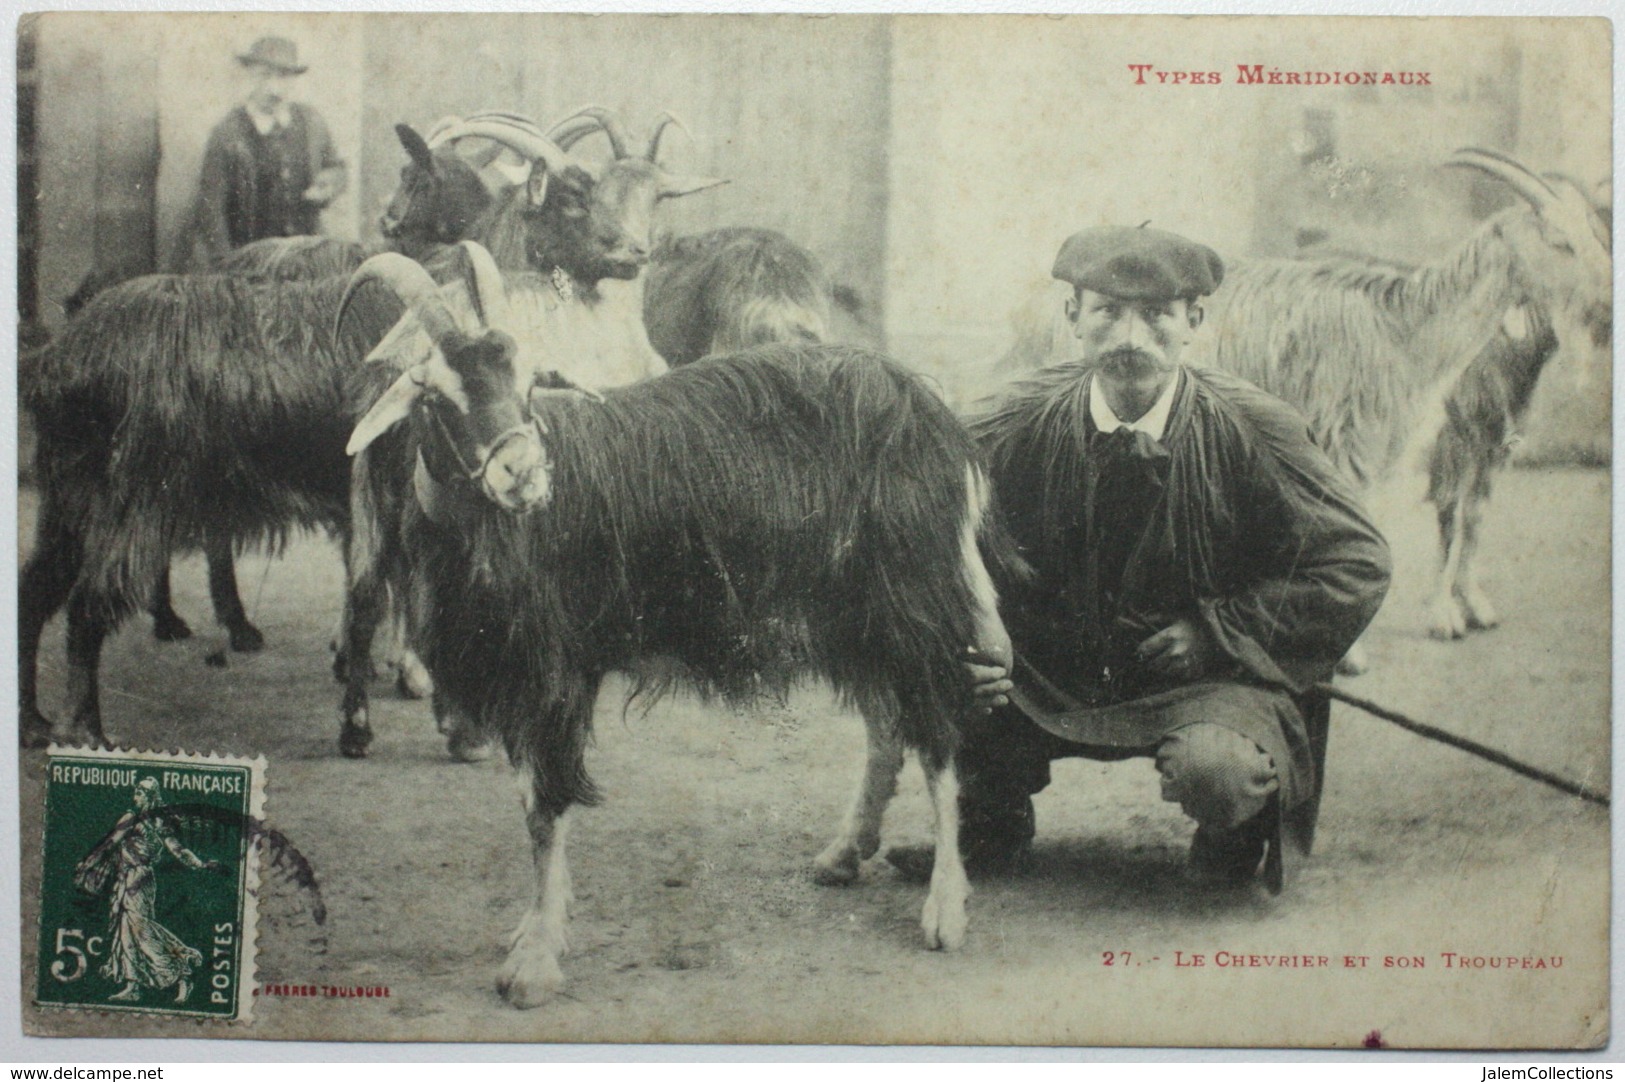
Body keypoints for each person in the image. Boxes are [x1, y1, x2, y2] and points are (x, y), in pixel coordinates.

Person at [890, 225, 1392, 892]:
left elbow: (1355, 561)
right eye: (1107, 312)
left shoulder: (1257, 429)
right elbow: (914, 531)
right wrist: (961, 642)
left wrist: (1218, 631)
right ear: (1072, 319)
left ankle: (1231, 832)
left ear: (1192, 322)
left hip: (1205, 678)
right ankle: (989, 816)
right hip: (1047, 672)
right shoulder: (1005, 421)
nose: (1130, 337)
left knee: (1219, 772)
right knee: (951, 674)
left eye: (1155, 315)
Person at [180, 35, 347, 269]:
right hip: (250, 261)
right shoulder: (228, 134)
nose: (274, 89)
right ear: (250, 75)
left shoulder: (311, 123)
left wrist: (329, 184)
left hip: (304, 257)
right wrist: (226, 266)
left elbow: (336, 167)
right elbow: (211, 210)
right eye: (264, 76)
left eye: (283, 77)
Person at [73, 778, 222, 1003]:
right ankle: (134, 986)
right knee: (128, 931)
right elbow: (110, 843)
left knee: (141, 929)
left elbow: (178, 850)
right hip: (126, 878)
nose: (136, 796)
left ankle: (182, 969)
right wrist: (89, 862)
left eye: (141, 793)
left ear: (150, 796)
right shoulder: (131, 818)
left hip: (139, 879)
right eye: (137, 791)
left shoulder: (157, 822)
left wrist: (200, 864)